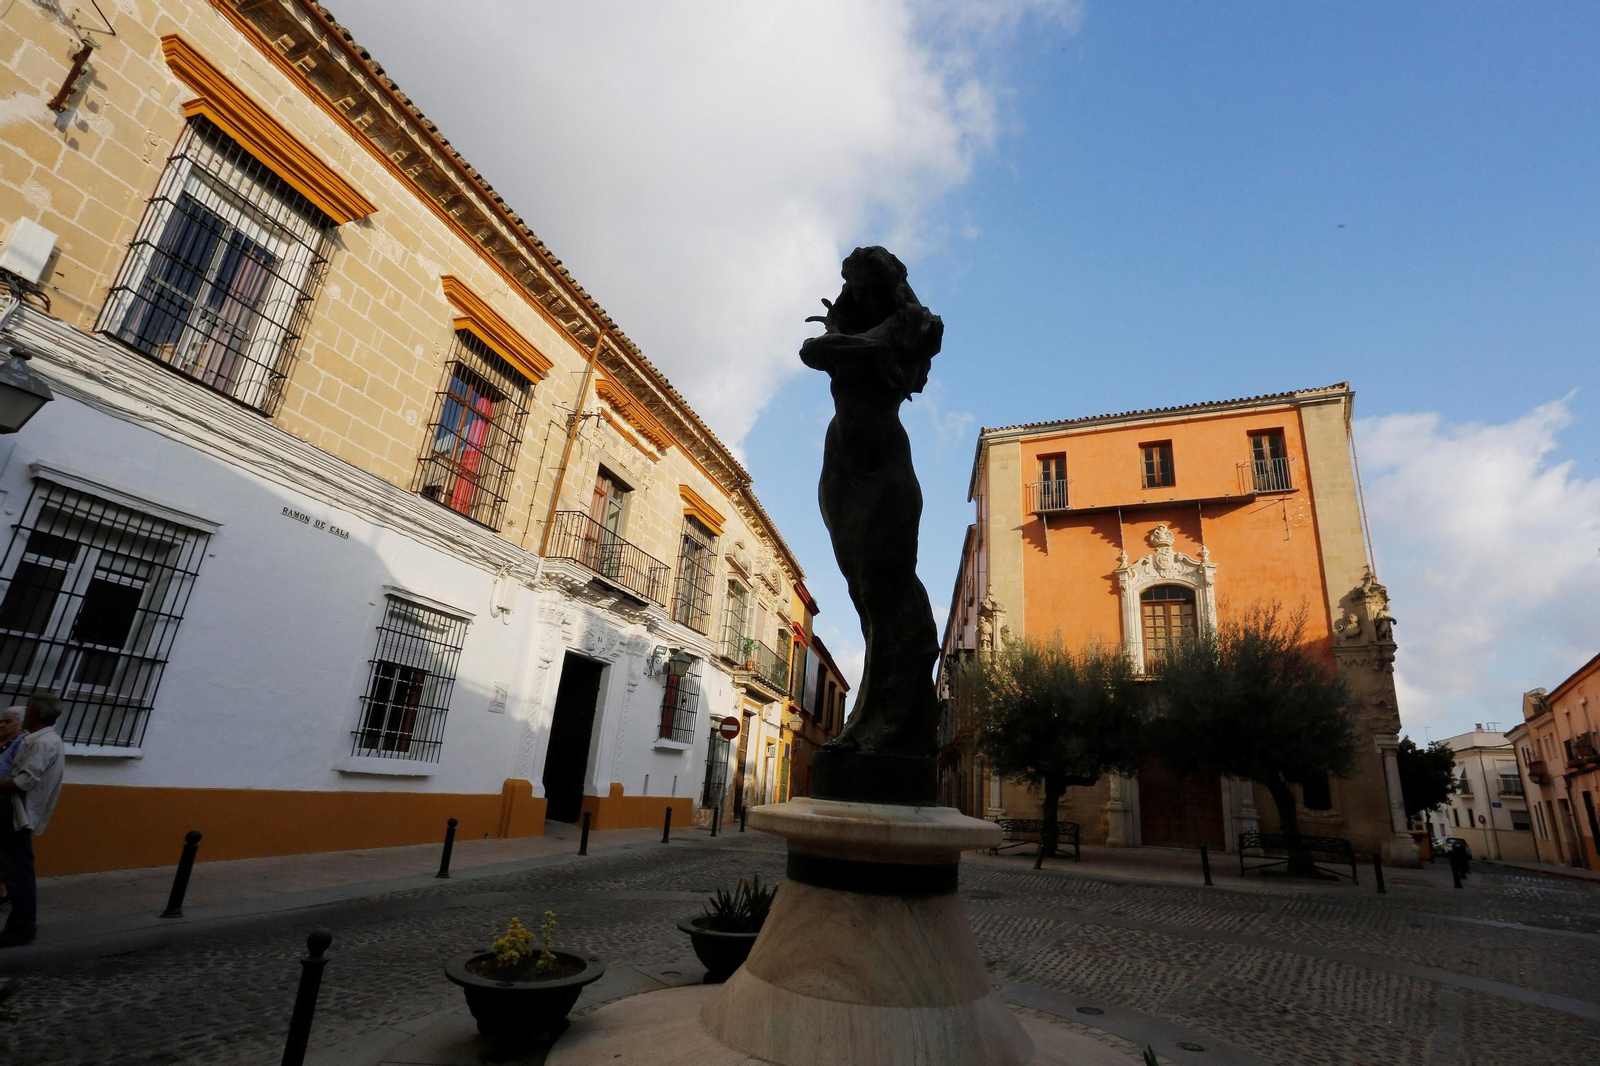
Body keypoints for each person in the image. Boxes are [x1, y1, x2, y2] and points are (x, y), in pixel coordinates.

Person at [0, 694, 65, 947]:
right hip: (18, 812)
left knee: (19, 871)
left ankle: (22, 926)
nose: (24, 715)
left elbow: (24, 781)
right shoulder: (45, 740)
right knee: (16, 868)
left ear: (36, 714)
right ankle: (22, 924)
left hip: (17, 813)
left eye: (28, 711)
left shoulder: (41, 743)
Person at [0, 706, 24, 780]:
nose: (1, 725)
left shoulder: (21, 744)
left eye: (7, 722)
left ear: (20, 725)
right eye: (0, 721)